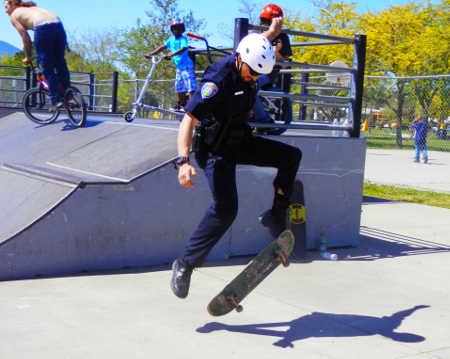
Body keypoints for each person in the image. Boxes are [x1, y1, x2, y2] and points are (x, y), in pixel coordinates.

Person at [170, 18, 302, 299]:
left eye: (258, 74)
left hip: (240, 140)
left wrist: (271, 33)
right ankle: (185, 264)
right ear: (240, 60)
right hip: (214, 150)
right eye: (252, 73)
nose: (254, 78)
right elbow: (188, 120)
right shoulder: (216, 81)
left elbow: (258, 45)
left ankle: (275, 216)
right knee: (226, 210)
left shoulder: (251, 58)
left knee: (291, 157)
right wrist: (183, 162)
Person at [4, 0, 70, 107]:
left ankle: (57, 99)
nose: (5, 11)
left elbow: (26, 39)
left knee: (46, 66)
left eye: (6, 7)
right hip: (58, 25)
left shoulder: (14, 16)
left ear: (13, 5)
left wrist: (28, 57)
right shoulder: (31, 9)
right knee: (60, 63)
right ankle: (69, 95)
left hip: (43, 27)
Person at [253, 3, 293, 126]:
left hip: (268, 74)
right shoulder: (257, 34)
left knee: (249, 86)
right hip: (252, 70)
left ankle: (264, 119)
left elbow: (286, 64)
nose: (263, 24)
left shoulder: (282, 37)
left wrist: (276, 53)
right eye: (262, 20)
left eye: (266, 21)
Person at [147, 19, 197, 111]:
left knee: (190, 87)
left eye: (177, 29)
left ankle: (193, 108)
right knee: (179, 87)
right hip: (179, 67)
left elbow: (183, 48)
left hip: (186, 66)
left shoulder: (183, 39)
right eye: (173, 29)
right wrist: (151, 54)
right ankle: (183, 107)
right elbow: (162, 47)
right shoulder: (171, 39)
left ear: (181, 30)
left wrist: (171, 54)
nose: (175, 30)